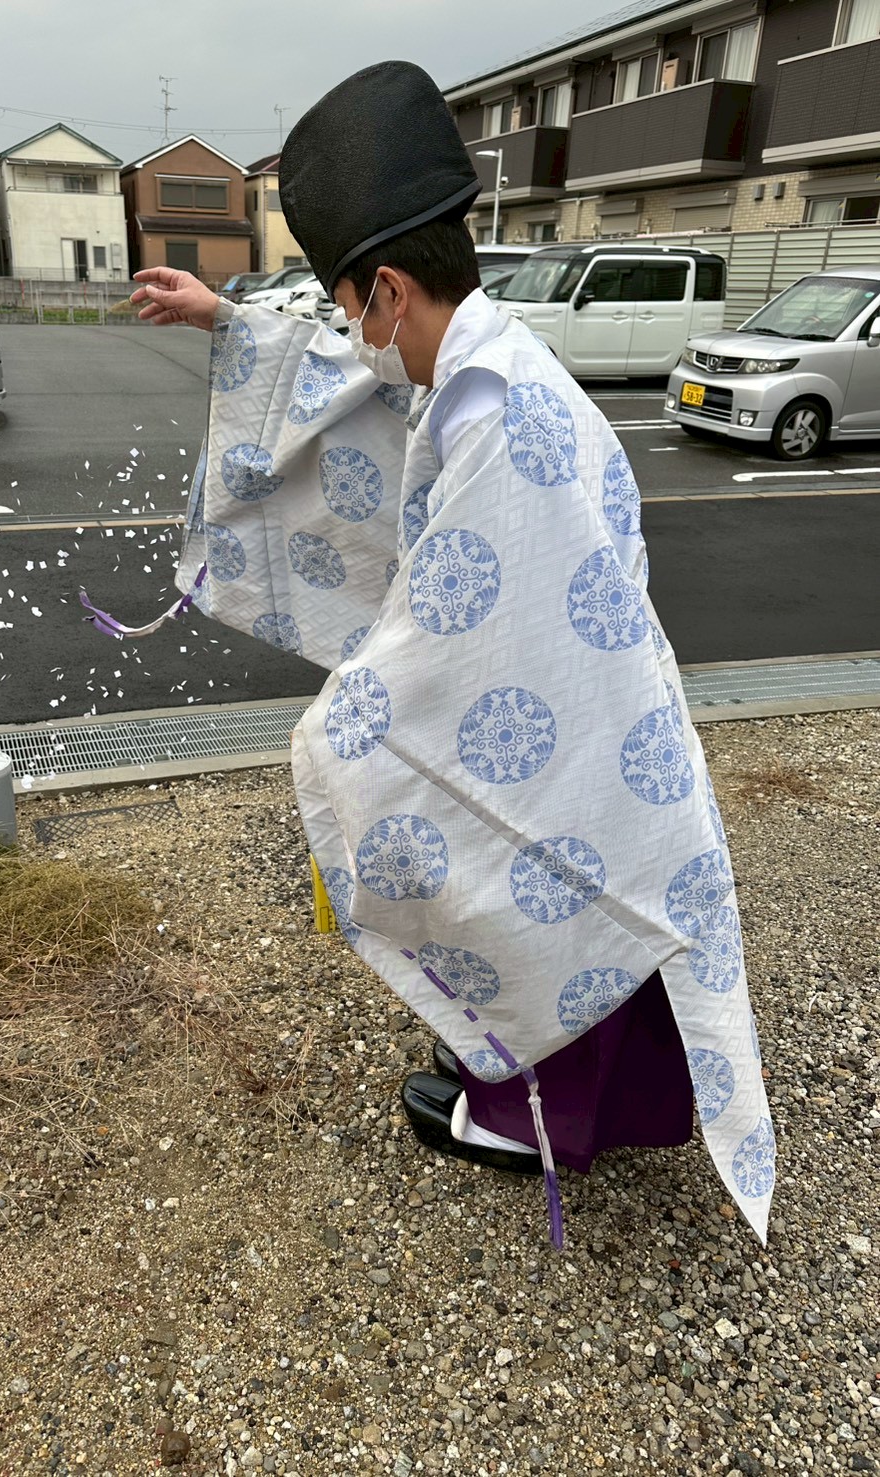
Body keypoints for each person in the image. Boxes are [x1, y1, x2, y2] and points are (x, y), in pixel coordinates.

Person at [115, 61, 775, 1245]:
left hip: (578, 725)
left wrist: (351, 731)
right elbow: (348, 386)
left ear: (386, 287)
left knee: (517, 867)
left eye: (344, 303)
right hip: (599, 710)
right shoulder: (481, 354)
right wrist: (227, 320)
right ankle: (506, 1060)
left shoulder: (494, 415)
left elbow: (478, 636)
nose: (348, 333)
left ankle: (526, 1118)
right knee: (522, 869)